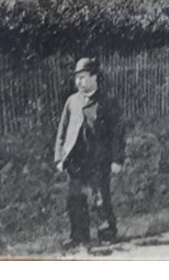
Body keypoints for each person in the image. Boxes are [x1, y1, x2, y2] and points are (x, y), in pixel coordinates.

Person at [54, 57, 125, 250]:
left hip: (98, 159)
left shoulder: (107, 101)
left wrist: (117, 159)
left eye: (83, 77)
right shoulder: (72, 101)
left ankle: (107, 233)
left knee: (101, 197)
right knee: (75, 198)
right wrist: (60, 157)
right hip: (75, 159)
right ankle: (78, 235)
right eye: (77, 78)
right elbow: (62, 130)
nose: (79, 82)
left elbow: (117, 133)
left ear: (94, 77)